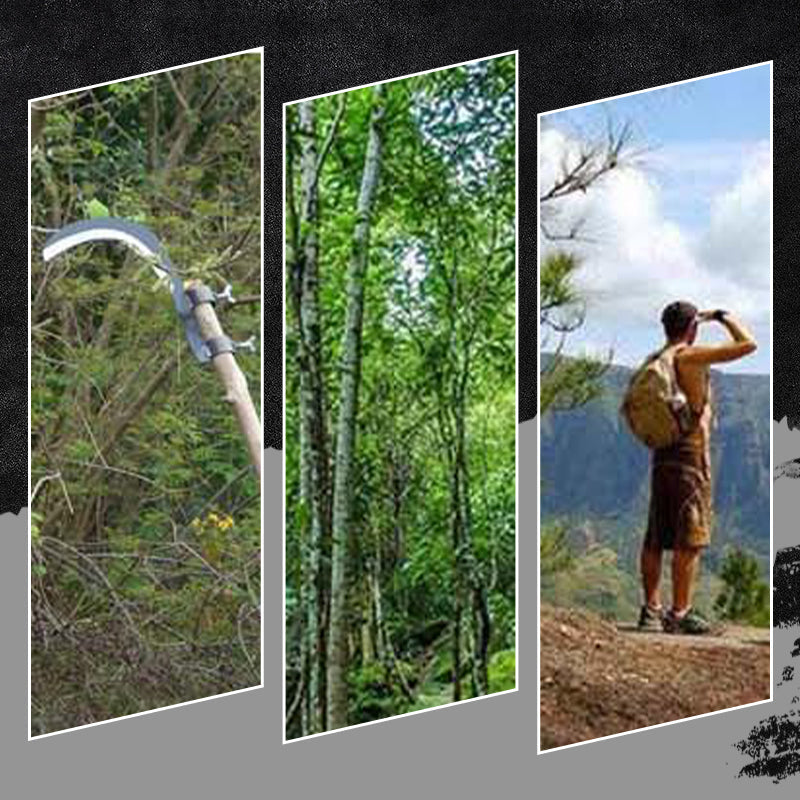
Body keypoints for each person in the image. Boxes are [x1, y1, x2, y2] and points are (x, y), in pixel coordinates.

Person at [638, 301, 757, 634]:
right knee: (688, 537)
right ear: (692, 327)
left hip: (662, 453)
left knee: (655, 533)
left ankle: (650, 610)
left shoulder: (656, 360)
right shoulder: (689, 356)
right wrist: (722, 316)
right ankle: (679, 612)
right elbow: (748, 344)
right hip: (689, 454)